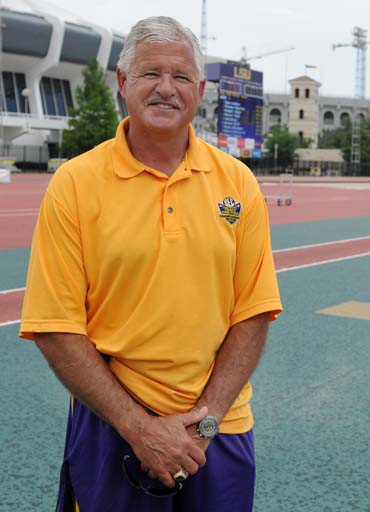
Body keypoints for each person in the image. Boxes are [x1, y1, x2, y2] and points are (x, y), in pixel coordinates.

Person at [20, 16, 282, 511]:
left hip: (219, 431)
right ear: (123, 83)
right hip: (113, 428)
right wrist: (140, 428)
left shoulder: (238, 183)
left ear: (200, 90)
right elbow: (55, 326)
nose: (167, 88)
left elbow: (253, 312)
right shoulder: (75, 184)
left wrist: (203, 427)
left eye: (181, 76)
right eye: (150, 73)